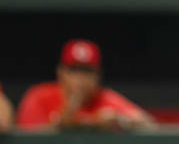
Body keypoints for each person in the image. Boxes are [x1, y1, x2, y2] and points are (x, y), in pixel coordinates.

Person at [16, 39, 153, 131]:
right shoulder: (39, 96)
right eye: (74, 70)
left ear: (98, 76)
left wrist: (121, 121)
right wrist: (64, 123)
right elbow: (26, 136)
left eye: (87, 71)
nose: (80, 78)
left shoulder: (104, 97)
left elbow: (148, 123)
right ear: (60, 72)